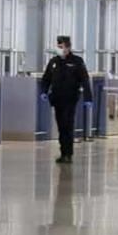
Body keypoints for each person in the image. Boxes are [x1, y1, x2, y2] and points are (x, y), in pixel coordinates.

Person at [40, 35, 93, 164]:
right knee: (61, 127)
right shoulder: (53, 62)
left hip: (70, 99)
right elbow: (46, 78)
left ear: (68, 47)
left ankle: (68, 154)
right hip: (57, 100)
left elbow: (85, 80)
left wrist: (88, 98)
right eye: (58, 46)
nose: (59, 48)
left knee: (67, 126)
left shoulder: (77, 61)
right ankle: (63, 152)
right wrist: (44, 91)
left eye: (61, 46)